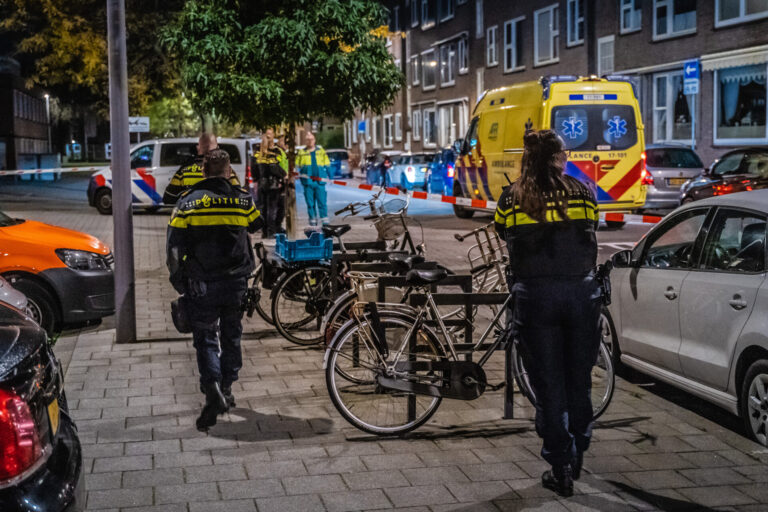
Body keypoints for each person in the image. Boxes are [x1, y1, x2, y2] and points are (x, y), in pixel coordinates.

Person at [494, 129, 601, 497]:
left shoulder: (512, 197)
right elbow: (591, 231)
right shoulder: (583, 192)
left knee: (548, 384)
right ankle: (578, 449)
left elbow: (501, 232)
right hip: (581, 296)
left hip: (535, 298)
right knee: (579, 378)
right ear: (559, 157)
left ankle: (560, 464)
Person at [166, 148, 263, 431]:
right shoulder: (242, 200)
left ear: (204, 171)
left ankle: (212, 390)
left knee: (206, 338)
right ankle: (227, 388)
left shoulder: (187, 203)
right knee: (232, 336)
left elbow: (173, 246)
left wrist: (179, 280)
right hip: (235, 284)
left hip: (202, 284)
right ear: (228, 171)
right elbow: (258, 224)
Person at [163, 133, 241, 205]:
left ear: (198, 148)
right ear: (217, 148)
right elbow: (238, 196)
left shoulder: (184, 171)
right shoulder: (226, 170)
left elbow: (169, 198)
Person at [253, 128, 288, 238]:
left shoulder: (257, 151)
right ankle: (271, 232)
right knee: (272, 209)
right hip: (273, 184)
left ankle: (265, 232)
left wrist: (255, 180)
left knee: (264, 209)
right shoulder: (274, 152)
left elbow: (254, 167)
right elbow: (274, 167)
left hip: (262, 183)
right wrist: (283, 175)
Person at [296, 132, 331, 225]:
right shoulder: (302, 152)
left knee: (322, 203)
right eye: (308, 140)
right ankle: (313, 224)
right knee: (310, 205)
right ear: (305, 141)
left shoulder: (321, 151)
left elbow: (327, 163)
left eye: (311, 139)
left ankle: (325, 225)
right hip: (308, 183)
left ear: (314, 140)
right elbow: (297, 165)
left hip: (320, 182)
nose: (310, 141)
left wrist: (330, 175)